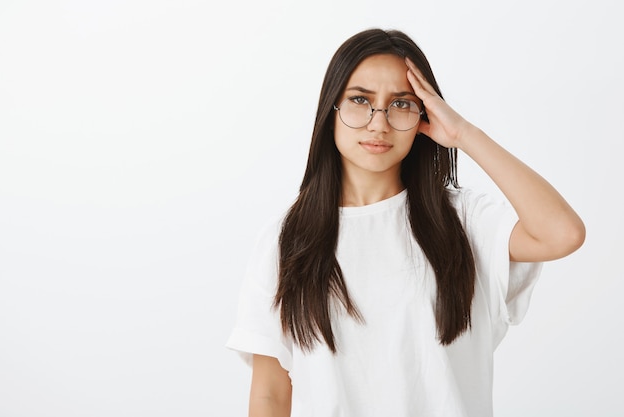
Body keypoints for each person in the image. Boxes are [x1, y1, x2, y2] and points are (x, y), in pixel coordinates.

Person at [226, 28, 585, 417]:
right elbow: (270, 395)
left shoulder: (465, 222)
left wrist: (464, 134)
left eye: (401, 104)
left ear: (424, 115)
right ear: (331, 109)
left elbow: (563, 233)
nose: (378, 123)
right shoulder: (286, 241)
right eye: (360, 100)